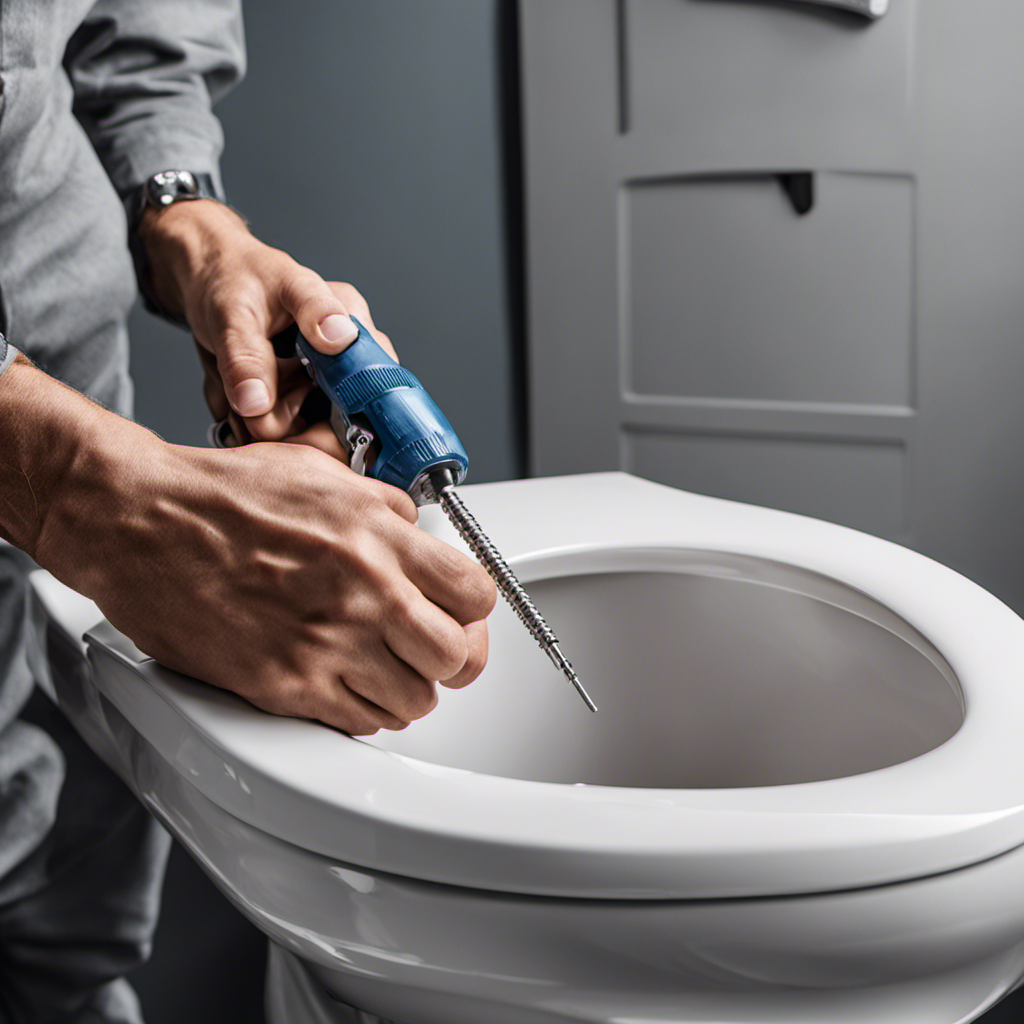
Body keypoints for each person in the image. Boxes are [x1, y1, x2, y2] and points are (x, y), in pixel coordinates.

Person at [0, 2, 496, 1020]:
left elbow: (130, 33)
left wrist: (187, 214)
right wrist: (89, 493)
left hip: (63, 370)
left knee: (59, 919)